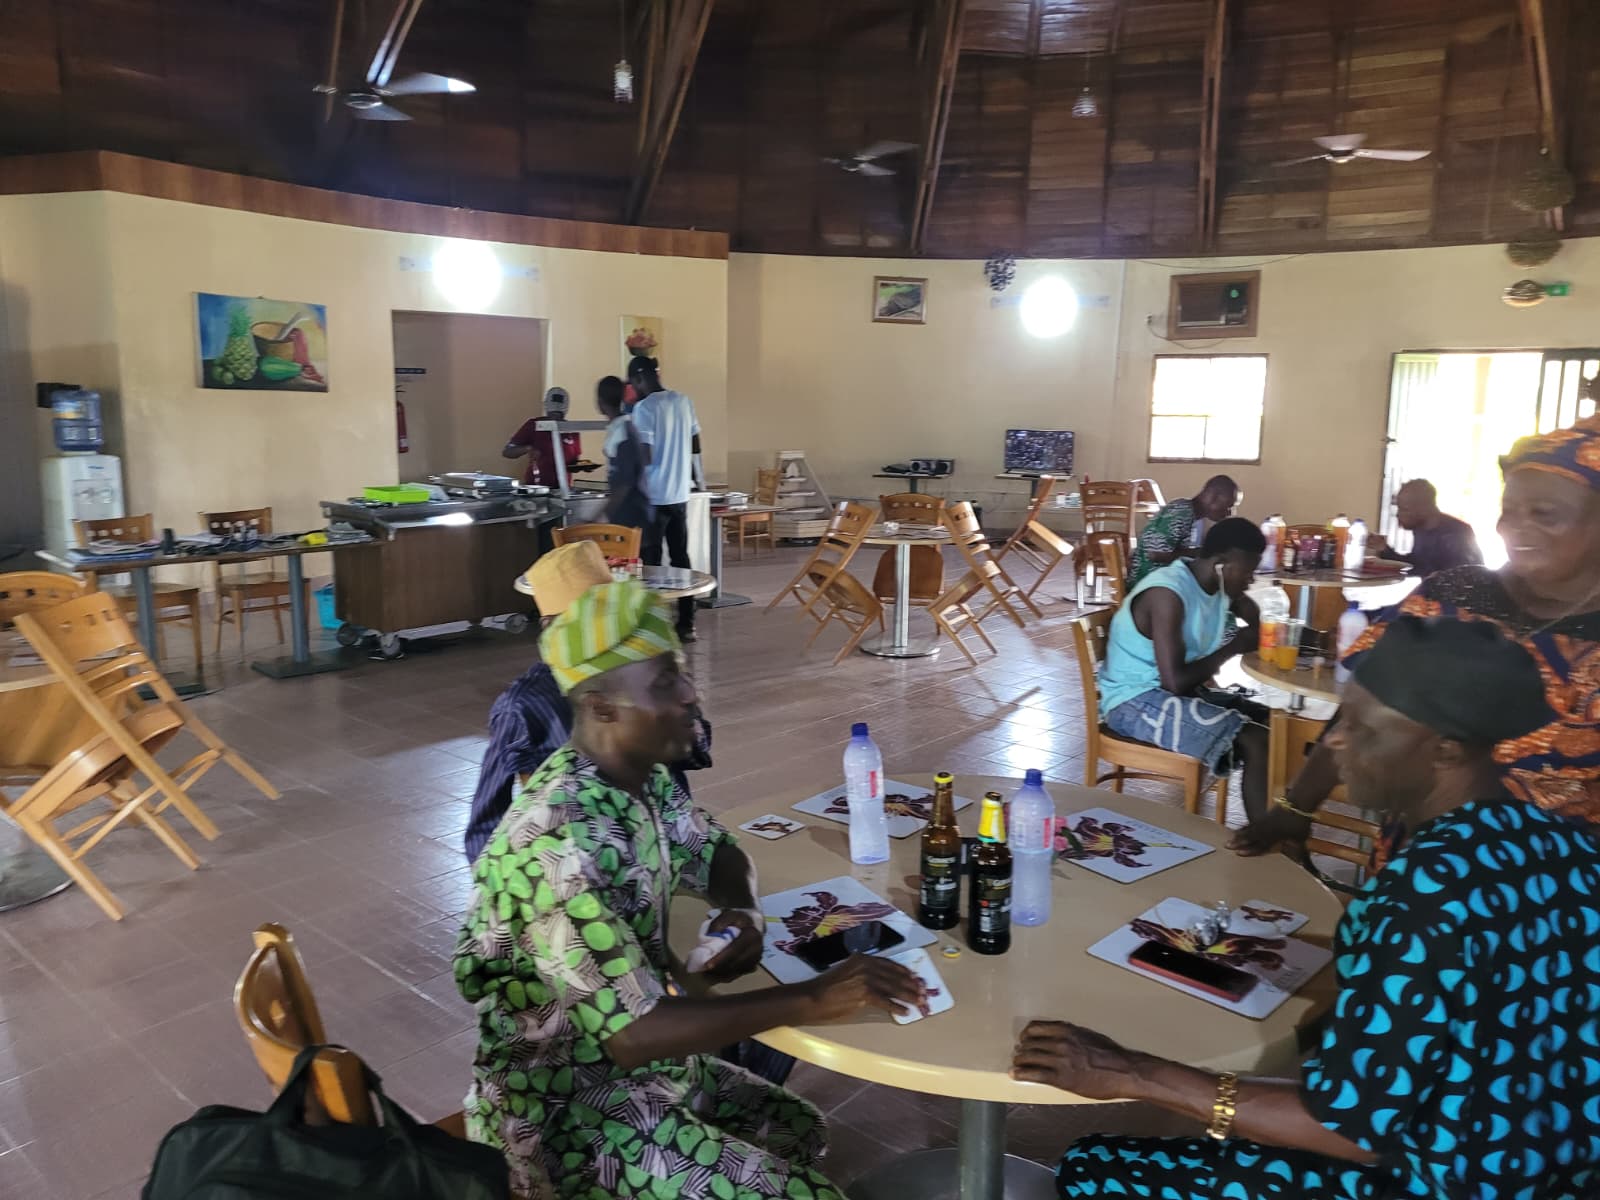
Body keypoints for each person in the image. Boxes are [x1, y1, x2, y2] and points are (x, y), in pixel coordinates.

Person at [1014, 616, 1598, 1199]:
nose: (1336, 741)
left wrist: (1130, 1071)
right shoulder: (1559, 842)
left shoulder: (1426, 890)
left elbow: (1350, 1128)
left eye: (1363, 729)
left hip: (1443, 1183)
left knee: (1095, 1167)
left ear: (1445, 749)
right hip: (1551, 1166)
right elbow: (1466, 983)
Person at [455, 580, 926, 1199]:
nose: (690, 693)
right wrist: (816, 997)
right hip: (564, 1116)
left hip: (635, 1074)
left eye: (680, 673)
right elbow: (634, 1033)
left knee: (793, 1129)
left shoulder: (634, 779)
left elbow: (717, 850)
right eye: (664, 684)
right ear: (601, 707)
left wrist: (742, 908)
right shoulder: (558, 845)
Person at [1232, 413, 1600, 858]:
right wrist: (1296, 808)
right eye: (1508, 510)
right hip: (1418, 861)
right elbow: (1363, 710)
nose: (1511, 527)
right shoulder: (1453, 594)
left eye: (1545, 514)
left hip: (1558, 880)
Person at [463, 542, 709, 866]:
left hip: (670, 845)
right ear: (552, 631)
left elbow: (697, 750)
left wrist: (680, 720)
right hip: (589, 862)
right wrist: (499, 886)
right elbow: (486, 824)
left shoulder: (644, 668)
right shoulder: (523, 706)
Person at [1100, 517, 1270, 823]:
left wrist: (1251, 618)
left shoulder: (1212, 582)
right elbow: (1175, 682)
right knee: (1255, 739)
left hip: (1165, 694)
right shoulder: (1168, 594)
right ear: (1220, 565)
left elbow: (1247, 607)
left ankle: (1278, 821)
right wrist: (1235, 646)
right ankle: (1266, 838)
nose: (1251, 580)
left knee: (1272, 721)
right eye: (1247, 572)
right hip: (1132, 702)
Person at [629, 356, 703, 641]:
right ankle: (687, 623)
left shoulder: (645, 408)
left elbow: (645, 455)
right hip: (679, 493)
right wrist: (691, 473)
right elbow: (695, 441)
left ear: (639, 379)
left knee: (651, 562)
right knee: (681, 557)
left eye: (633, 385)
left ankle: (653, 626)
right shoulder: (683, 401)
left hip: (654, 496)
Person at [1127, 475, 1241, 588]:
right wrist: (1201, 554)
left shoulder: (1190, 514)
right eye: (1229, 506)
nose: (1230, 513)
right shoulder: (1181, 513)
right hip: (1148, 585)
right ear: (1211, 496)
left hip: (1161, 581)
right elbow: (1154, 555)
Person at [1365, 478, 1482, 577]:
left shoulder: (1457, 534)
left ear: (1424, 509)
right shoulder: (1421, 529)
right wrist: (1384, 549)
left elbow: (1464, 580)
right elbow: (1415, 565)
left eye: (1404, 509)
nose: (1398, 515)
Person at [503, 387, 593, 488]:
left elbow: (573, 462)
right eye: (552, 414)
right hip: (536, 487)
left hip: (562, 488)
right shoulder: (534, 425)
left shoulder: (571, 430)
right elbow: (507, 452)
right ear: (546, 408)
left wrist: (584, 466)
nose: (555, 418)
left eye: (559, 415)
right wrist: (528, 448)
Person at [596, 375, 651, 530]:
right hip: (627, 515)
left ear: (600, 402)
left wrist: (600, 516)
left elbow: (624, 484)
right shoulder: (621, 428)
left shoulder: (622, 433)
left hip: (632, 516)